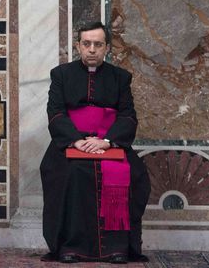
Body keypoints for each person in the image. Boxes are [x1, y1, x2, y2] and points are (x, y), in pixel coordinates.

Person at [40, 22, 150, 264]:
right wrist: (76, 141)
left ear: (107, 48)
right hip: (72, 141)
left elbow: (127, 116)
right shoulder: (61, 75)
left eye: (98, 44)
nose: (92, 49)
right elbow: (56, 112)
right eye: (86, 44)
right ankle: (70, 247)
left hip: (108, 141)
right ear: (78, 46)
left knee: (135, 174)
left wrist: (107, 142)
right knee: (69, 172)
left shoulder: (121, 78)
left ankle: (117, 247)